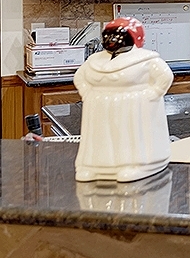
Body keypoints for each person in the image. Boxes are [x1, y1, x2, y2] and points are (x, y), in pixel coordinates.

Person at [72, 17, 173, 182]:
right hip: (99, 107)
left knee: (127, 137)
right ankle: (92, 167)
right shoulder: (95, 60)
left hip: (131, 106)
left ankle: (135, 165)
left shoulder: (146, 60)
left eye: (117, 36)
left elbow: (165, 76)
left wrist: (153, 94)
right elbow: (80, 77)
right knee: (99, 137)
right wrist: (86, 92)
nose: (111, 40)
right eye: (108, 36)